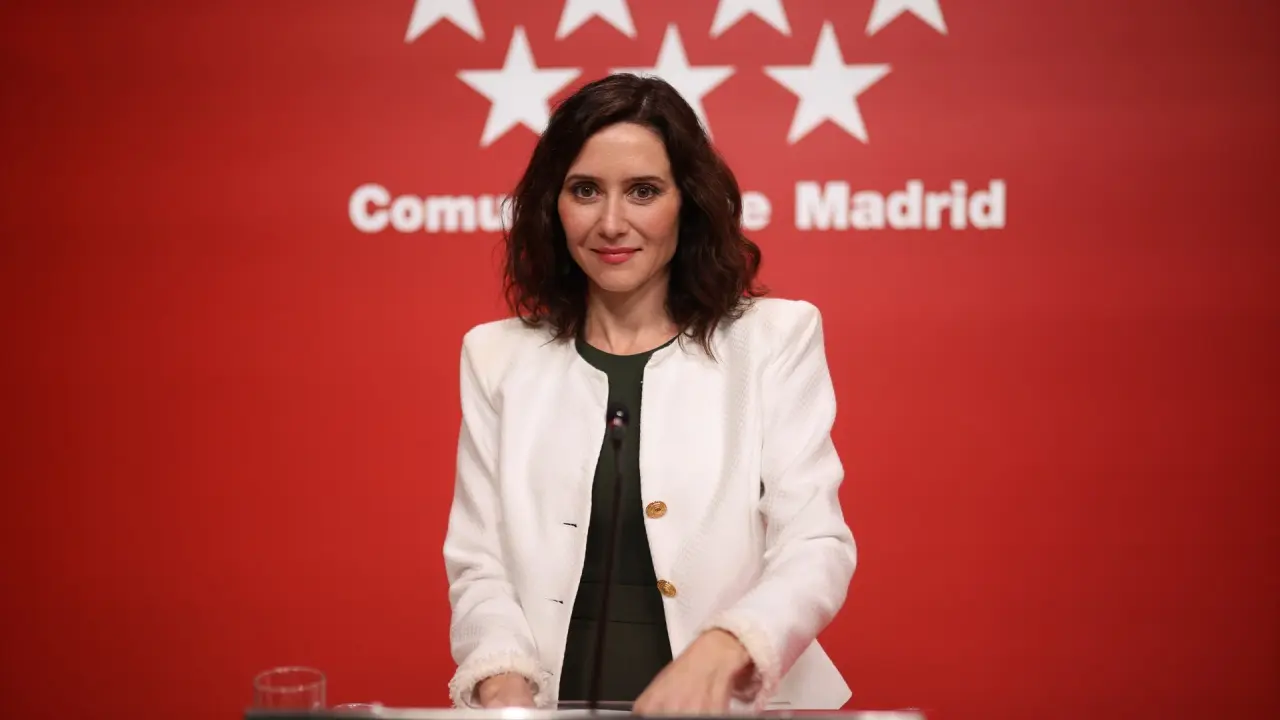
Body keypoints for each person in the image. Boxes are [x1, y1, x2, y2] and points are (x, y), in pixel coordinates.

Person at [442, 73, 856, 714]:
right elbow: (479, 565)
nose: (612, 223)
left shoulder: (775, 338)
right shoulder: (496, 356)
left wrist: (725, 647)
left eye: (643, 191)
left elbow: (815, 545)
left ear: (688, 202)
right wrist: (504, 685)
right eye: (585, 190)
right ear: (553, 204)